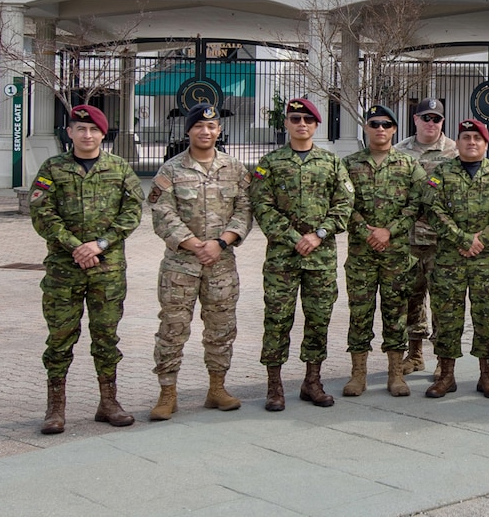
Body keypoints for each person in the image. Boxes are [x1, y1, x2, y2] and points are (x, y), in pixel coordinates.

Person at [28, 104, 142, 434]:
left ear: (103, 133)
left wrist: (100, 244)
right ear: (70, 132)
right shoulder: (53, 168)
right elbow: (42, 213)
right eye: (80, 129)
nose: (87, 134)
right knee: (60, 339)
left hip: (107, 271)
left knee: (106, 337)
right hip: (65, 270)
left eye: (93, 130)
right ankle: (55, 408)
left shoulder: (119, 169)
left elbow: (132, 212)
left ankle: (109, 402)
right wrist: (75, 246)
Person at [147, 102, 252, 421]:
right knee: (172, 329)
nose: (205, 131)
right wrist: (194, 244)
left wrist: (221, 242)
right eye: (199, 126)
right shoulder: (171, 170)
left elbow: (245, 210)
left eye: (211, 126)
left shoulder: (235, 169)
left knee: (221, 329)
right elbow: (161, 212)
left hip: (221, 265)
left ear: (219, 130)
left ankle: (217, 388)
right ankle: (167, 393)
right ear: (189, 130)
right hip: (180, 267)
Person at [250, 96, 354, 412]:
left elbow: (345, 204)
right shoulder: (269, 163)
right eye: (295, 120)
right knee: (278, 319)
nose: (302, 125)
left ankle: (312, 382)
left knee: (319, 319)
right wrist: (295, 237)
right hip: (283, 258)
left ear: (316, 125)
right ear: (287, 124)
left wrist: (318, 234)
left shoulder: (331, 163)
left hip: (320, 258)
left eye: (307, 120)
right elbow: (261, 205)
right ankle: (275, 386)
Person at [423, 118, 489, 399]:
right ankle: (446, 375)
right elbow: (432, 209)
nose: (471, 142)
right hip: (450, 260)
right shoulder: (442, 173)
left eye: (477, 138)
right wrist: (463, 239)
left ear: (486, 144)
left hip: (486, 261)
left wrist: (481, 240)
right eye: (466, 137)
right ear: (458, 142)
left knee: (486, 318)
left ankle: (487, 376)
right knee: (448, 318)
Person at [341, 104, 424, 398]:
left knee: (396, 313)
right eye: (374, 124)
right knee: (360, 313)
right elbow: (343, 204)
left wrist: (389, 230)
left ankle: (394, 373)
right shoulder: (349, 165)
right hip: (362, 254)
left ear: (394, 130)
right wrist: (368, 231)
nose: (380, 129)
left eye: (386, 125)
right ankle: (358, 374)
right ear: (366, 128)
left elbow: (416, 204)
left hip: (396, 254)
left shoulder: (409, 165)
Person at [396, 97, 458, 376]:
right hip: (408, 240)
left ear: (442, 122)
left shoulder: (455, 152)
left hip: (442, 241)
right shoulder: (399, 151)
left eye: (437, 119)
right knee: (411, 297)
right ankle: (415, 354)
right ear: (416, 119)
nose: (431, 123)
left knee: (443, 300)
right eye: (426, 118)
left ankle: (442, 361)